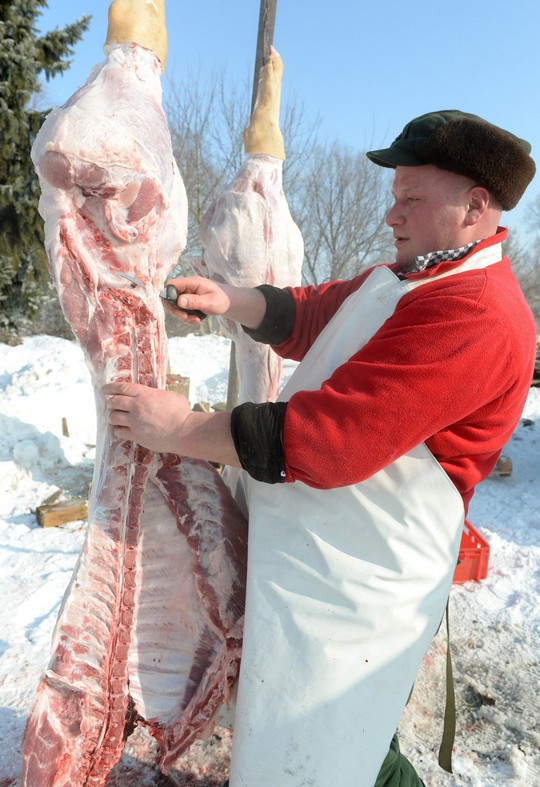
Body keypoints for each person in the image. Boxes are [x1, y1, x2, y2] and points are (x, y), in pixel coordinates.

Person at [105, 109, 537, 786]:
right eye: (394, 197)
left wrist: (183, 429)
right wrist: (233, 298)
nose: (392, 214)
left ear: (475, 205)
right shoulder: (408, 275)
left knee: (318, 759)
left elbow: (327, 440)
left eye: (411, 199)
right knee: (349, 743)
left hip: (359, 588)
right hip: (318, 558)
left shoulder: (477, 312)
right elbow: (315, 311)